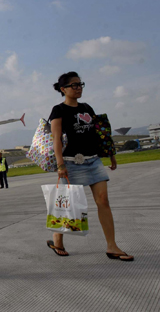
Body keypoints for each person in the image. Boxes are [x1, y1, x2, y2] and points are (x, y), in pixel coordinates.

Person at [48, 71, 133, 261]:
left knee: (103, 200)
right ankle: (57, 240)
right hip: (71, 163)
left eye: (80, 84)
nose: (78, 88)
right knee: (66, 204)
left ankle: (112, 246)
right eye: (74, 85)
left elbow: (99, 134)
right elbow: (56, 139)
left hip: (93, 160)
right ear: (63, 89)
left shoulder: (87, 108)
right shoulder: (58, 110)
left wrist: (110, 154)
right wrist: (60, 164)